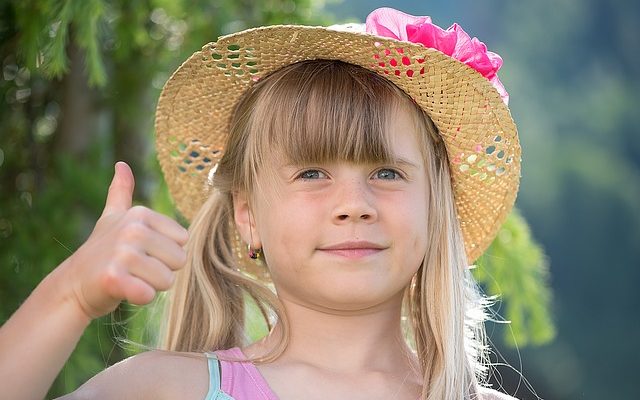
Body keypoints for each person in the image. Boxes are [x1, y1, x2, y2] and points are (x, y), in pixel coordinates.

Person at [0, 7, 522, 400]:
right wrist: (70, 296)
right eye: (312, 172)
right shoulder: (163, 389)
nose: (354, 205)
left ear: (436, 207)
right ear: (246, 214)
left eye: (386, 172)